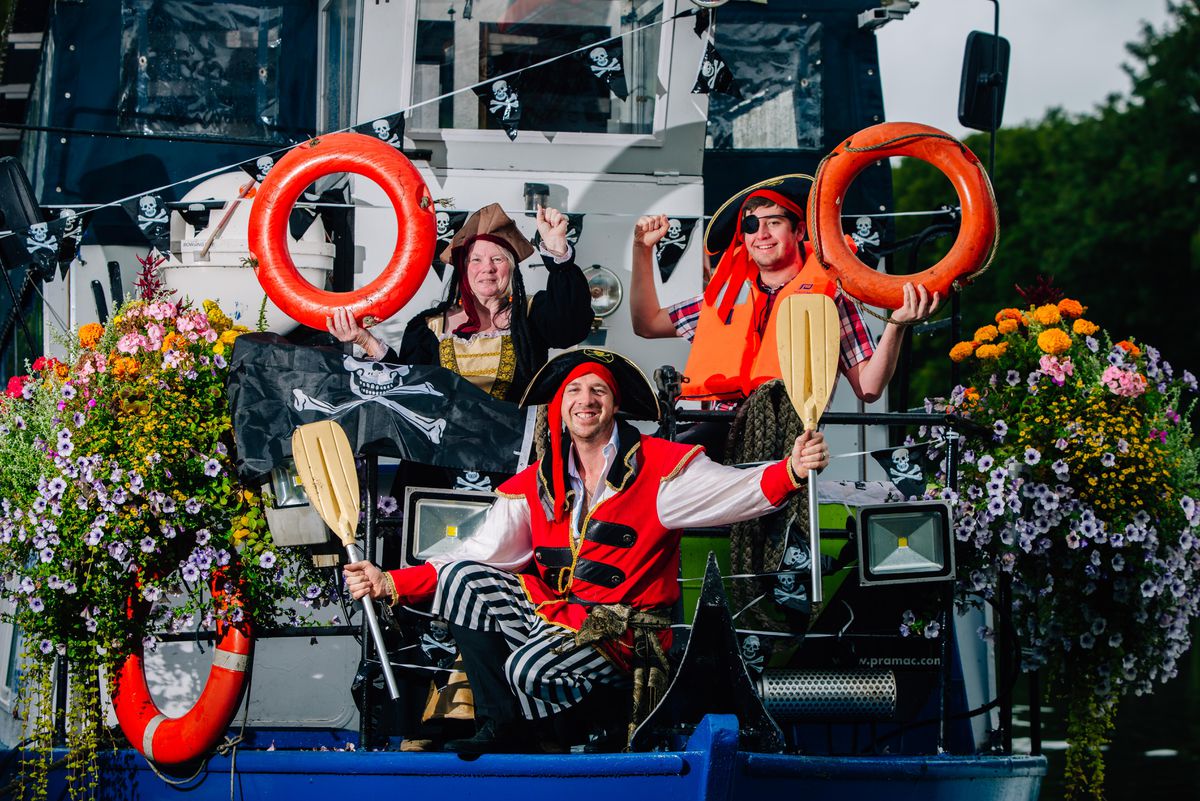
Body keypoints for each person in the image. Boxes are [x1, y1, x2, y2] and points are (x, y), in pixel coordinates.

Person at [343, 348, 830, 754]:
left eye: (597, 389)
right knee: (461, 579)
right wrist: (392, 581)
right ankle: (502, 726)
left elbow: (733, 491)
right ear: (559, 408)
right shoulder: (535, 483)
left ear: (614, 404)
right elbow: (479, 552)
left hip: (626, 634)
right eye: (573, 391)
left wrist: (790, 469)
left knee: (527, 667)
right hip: (555, 616)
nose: (585, 400)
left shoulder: (661, 467)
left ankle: (570, 732)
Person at [630, 175, 939, 406]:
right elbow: (647, 324)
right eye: (751, 226)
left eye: (774, 222)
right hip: (713, 443)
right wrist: (642, 250)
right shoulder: (725, 297)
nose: (761, 234)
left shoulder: (829, 299)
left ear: (799, 231)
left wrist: (897, 324)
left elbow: (869, 388)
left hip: (786, 450)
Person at [327, 203, 593, 402]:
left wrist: (558, 252)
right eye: (476, 260)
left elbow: (572, 327)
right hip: (443, 461)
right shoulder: (429, 327)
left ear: (511, 269)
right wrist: (365, 341)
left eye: (497, 259)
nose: (486, 268)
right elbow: (405, 388)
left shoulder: (532, 316)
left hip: (514, 459)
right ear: (463, 269)